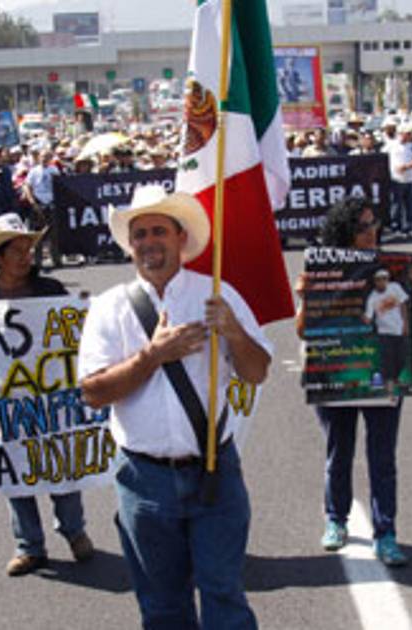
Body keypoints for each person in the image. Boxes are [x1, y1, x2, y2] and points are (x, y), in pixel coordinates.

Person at [79, 185, 272, 629]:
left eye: (159, 231)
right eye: (140, 234)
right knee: (163, 608)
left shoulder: (218, 295)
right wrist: (153, 356)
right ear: (130, 245)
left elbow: (257, 372)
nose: (149, 242)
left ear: (180, 238)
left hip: (214, 470)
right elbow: (92, 393)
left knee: (224, 598)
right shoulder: (109, 308)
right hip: (144, 480)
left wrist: (235, 332)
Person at [292, 198, 412, 566]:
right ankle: (336, 519)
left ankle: (386, 532)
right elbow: (303, 330)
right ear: (344, 231)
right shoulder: (322, 269)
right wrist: (307, 298)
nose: (371, 232)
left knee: (383, 456)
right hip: (336, 370)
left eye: (374, 223)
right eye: (362, 226)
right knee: (339, 451)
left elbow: (404, 314)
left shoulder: (391, 268)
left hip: (380, 367)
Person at [0, 213, 95, 576]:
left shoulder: (50, 290)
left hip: (50, 398)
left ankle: (74, 530)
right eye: (17, 250)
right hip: (6, 401)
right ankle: (29, 545)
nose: (26, 256)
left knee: (60, 462)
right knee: (15, 470)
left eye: (29, 249)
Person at [388, 125, 412, 237]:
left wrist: (409, 166)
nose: (410, 136)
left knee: (410, 205)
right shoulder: (392, 145)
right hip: (396, 179)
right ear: (401, 134)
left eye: (410, 134)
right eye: (408, 134)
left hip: (410, 178)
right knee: (396, 204)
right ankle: (395, 227)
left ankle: (408, 227)